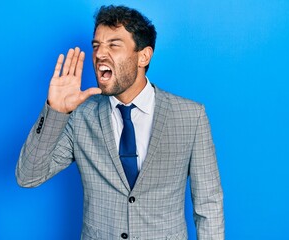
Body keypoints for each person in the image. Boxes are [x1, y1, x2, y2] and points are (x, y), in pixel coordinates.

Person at [16, 5, 224, 240]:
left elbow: (209, 205)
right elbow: (28, 176)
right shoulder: (79, 116)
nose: (100, 54)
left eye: (114, 45)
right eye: (96, 46)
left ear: (143, 56)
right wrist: (55, 111)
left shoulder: (190, 116)